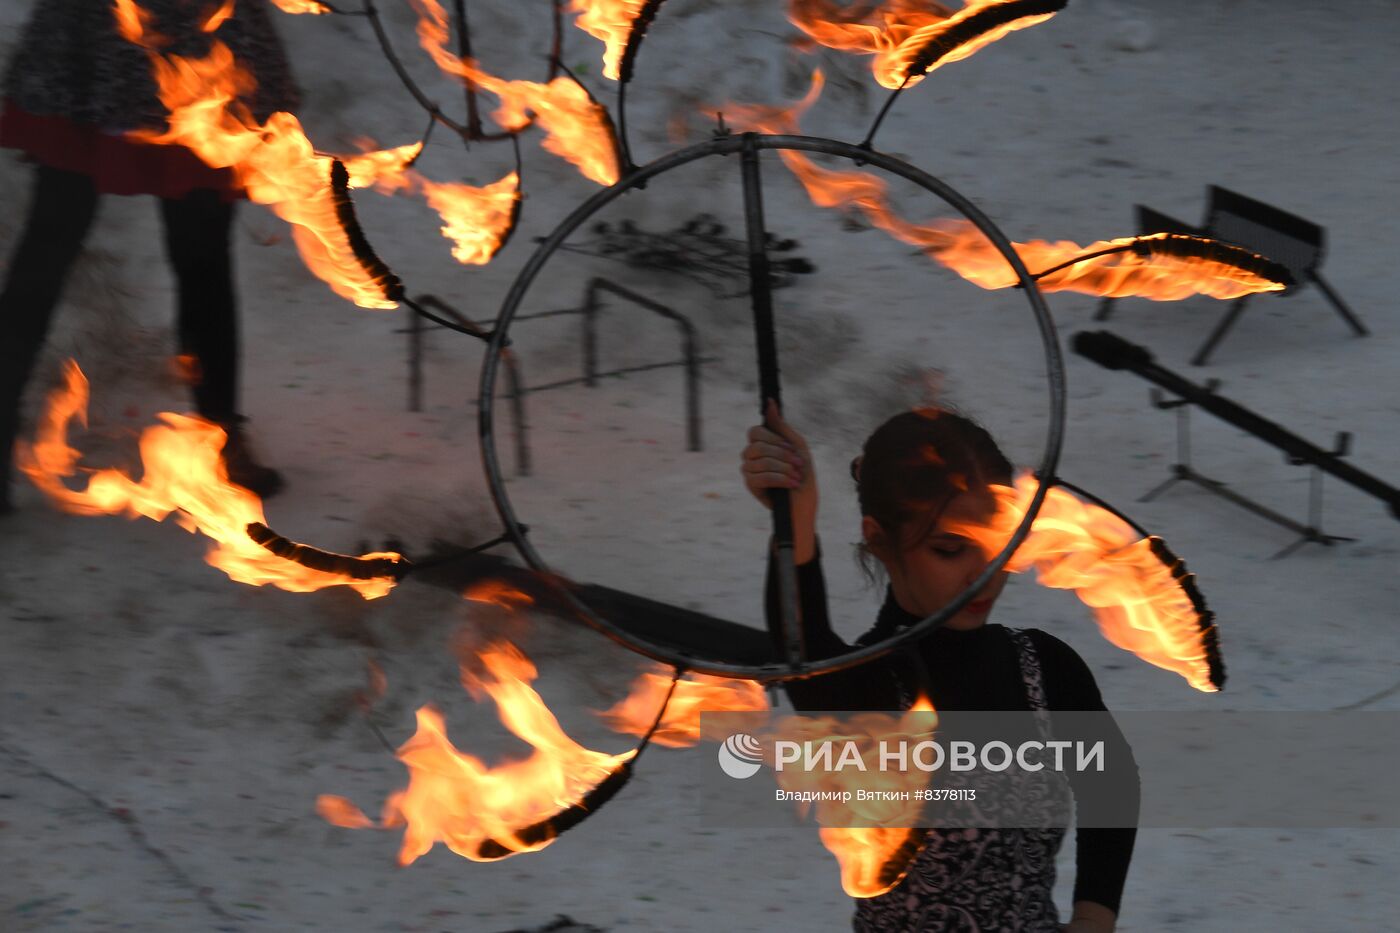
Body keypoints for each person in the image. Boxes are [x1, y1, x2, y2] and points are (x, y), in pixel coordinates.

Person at [742, 399, 1138, 932]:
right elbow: (802, 648)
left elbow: (1111, 782)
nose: (982, 574)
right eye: (950, 549)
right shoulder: (869, 685)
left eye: (996, 545)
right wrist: (796, 520)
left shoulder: (1045, 669)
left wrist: (1095, 913)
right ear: (880, 540)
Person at [0, 0, 301, 513]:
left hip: (198, 37)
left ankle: (221, 437)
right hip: (96, 35)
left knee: (201, 252)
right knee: (51, 242)